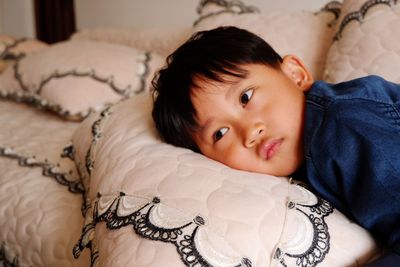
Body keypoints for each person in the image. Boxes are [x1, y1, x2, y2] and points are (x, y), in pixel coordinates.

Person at [151, 26, 400, 266]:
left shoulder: (343, 126)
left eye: (245, 97)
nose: (250, 132)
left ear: (295, 74)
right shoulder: (308, 155)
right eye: (221, 133)